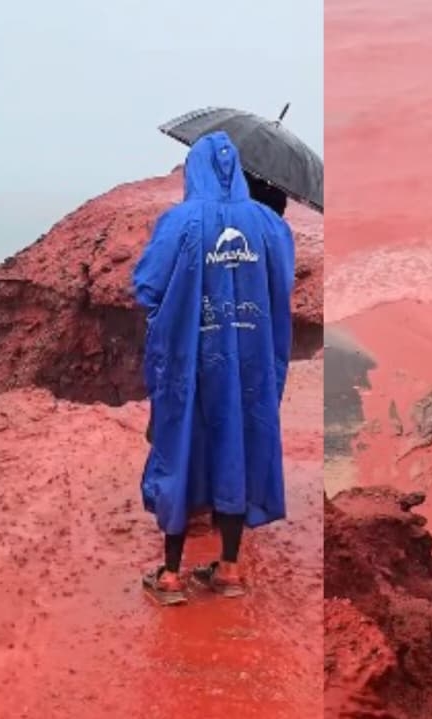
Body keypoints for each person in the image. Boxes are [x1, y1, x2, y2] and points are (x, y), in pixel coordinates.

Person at [133, 131, 296, 606]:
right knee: (237, 446)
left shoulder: (180, 222)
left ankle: (169, 575)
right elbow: (281, 281)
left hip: (190, 360)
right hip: (249, 362)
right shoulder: (269, 225)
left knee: (179, 446)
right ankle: (228, 568)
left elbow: (147, 286)